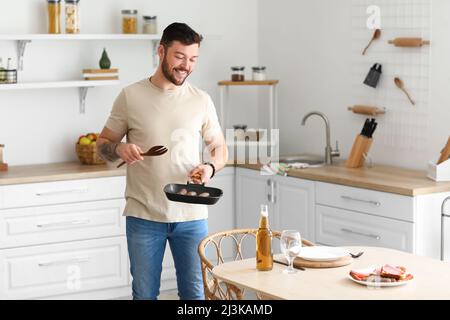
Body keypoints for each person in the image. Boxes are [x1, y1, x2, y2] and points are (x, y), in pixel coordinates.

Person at [96, 22, 228, 300]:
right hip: (144, 215)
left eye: (193, 59)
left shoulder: (201, 100)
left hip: (191, 217)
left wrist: (210, 167)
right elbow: (102, 146)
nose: (186, 66)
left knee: (194, 294)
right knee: (144, 295)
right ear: (161, 51)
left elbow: (219, 148)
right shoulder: (130, 96)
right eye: (180, 56)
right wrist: (119, 149)